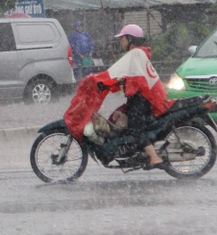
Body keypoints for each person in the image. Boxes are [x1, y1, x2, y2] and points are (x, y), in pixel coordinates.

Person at [64, 24, 173, 170]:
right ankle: (139, 153)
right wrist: (114, 82)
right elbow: (126, 76)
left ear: (130, 39)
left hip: (143, 100)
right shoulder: (138, 53)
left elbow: (129, 78)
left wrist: (100, 80)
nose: (121, 42)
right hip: (146, 98)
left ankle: (154, 158)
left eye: (122, 39)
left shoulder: (134, 54)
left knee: (135, 127)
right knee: (119, 119)